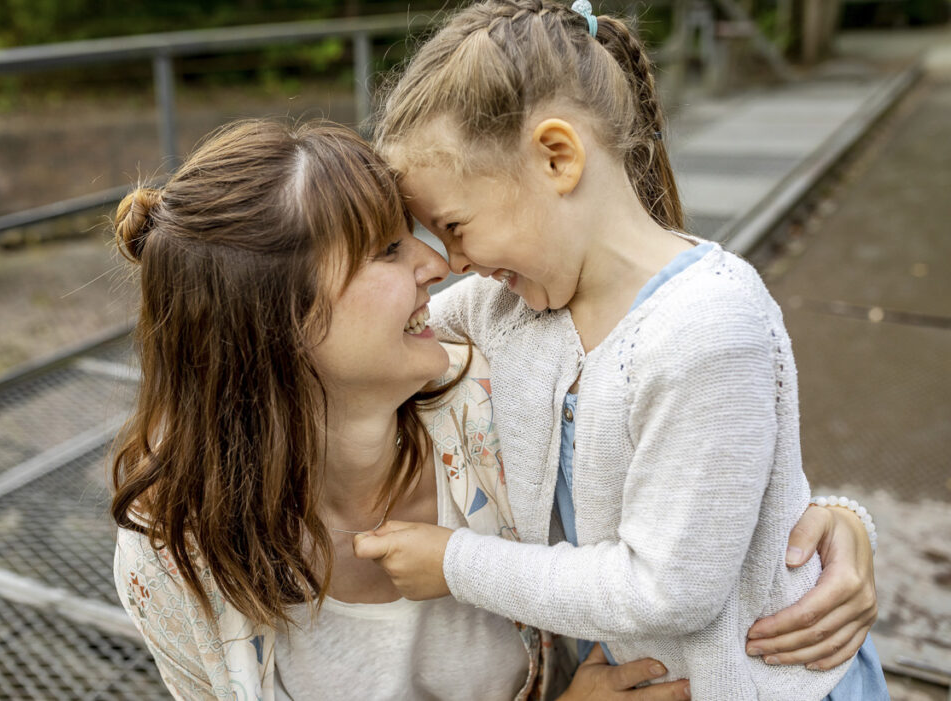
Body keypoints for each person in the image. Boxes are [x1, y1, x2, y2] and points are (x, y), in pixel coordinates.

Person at [354, 1, 888, 699]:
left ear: (557, 157)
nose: (453, 263)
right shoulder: (514, 303)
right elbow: (393, 323)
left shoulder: (710, 326)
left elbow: (668, 589)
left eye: (455, 226)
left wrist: (457, 562)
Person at [110, 118, 694, 700]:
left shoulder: (500, 410)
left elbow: (689, 425)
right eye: (388, 250)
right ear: (272, 321)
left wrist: (775, 508)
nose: (438, 263)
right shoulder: (169, 554)